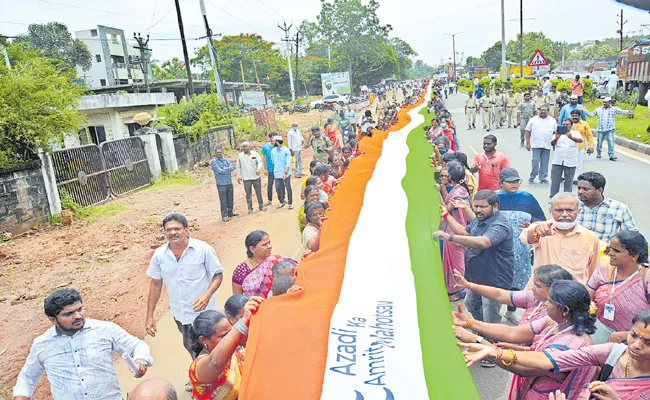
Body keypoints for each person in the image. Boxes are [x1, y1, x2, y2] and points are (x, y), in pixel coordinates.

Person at [460, 310, 650, 400]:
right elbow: (551, 359)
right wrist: (496, 350)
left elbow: (528, 368)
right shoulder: (614, 352)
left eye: (647, 342)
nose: (636, 345)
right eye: (633, 335)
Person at [455, 280, 597, 397]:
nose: (546, 304)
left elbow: (523, 368)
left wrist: (478, 341)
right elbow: (512, 332)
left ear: (565, 310)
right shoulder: (555, 322)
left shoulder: (568, 345)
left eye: (550, 301)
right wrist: (469, 322)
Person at [13, 288, 153, 400]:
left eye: (79, 309)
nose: (78, 316)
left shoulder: (105, 329)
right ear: (53, 320)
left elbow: (137, 346)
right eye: (69, 314)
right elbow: (27, 377)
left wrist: (140, 361)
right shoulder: (42, 344)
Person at [146, 213, 224, 364]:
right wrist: (150, 316)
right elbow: (155, 284)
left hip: (204, 313)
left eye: (177, 229)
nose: (173, 233)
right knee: (191, 346)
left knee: (212, 345)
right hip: (180, 313)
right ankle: (202, 376)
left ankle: (216, 377)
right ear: (164, 232)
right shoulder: (159, 255)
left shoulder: (203, 249)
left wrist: (206, 296)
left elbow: (218, 275)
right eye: (168, 230)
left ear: (186, 230)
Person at [433, 190, 514, 328]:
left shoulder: (500, 225)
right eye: (475, 206)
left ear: (495, 206)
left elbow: (483, 242)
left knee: (491, 315)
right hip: (477, 276)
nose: (477, 210)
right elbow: (465, 232)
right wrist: (447, 215)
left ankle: (493, 341)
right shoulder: (480, 220)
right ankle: (483, 330)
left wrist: (449, 237)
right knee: (471, 304)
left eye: (482, 207)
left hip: (494, 279)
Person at [188, 297, 263, 399]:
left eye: (231, 331)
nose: (231, 337)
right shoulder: (199, 366)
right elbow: (215, 363)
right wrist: (243, 321)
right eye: (223, 336)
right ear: (203, 340)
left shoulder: (236, 348)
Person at [453, 264, 574, 326]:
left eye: (538, 286)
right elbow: (500, 294)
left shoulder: (553, 316)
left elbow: (513, 335)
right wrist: (469, 285)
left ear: (553, 288)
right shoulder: (533, 298)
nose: (533, 288)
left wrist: (471, 324)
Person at [520, 193, 600, 285]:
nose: (565, 214)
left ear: (578, 212)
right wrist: (536, 231)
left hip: (573, 294)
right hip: (540, 292)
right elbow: (526, 237)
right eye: (559, 210)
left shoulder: (590, 237)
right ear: (551, 211)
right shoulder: (541, 229)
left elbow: (594, 272)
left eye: (570, 210)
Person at [588, 230, 650, 344]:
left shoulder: (646, 278)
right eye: (610, 248)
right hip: (599, 336)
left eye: (616, 250)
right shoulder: (602, 272)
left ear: (634, 255)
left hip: (635, 342)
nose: (610, 253)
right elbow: (584, 302)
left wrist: (626, 335)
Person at [437, 163, 471, 301]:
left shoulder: (457, 193)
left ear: (451, 177)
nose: (443, 177)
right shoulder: (461, 190)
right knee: (456, 260)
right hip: (460, 227)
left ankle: (459, 290)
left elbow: (446, 208)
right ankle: (454, 287)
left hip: (455, 229)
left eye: (446, 175)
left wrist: (438, 192)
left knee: (455, 262)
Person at [231, 230, 298, 298]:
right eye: (264, 245)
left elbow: (298, 271)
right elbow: (237, 298)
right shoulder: (241, 270)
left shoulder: (278, 259)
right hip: (255, 306)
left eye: (269, 243)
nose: (269, 246)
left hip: (281, 302)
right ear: (252, 249)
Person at [576, 171, 637, 242]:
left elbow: (632, 235)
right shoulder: (571, 205)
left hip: (605, 251)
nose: (580, 192)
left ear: (599, 190)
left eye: (585, 189)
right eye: (579, 188)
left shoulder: (619, 208)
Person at [582, 96, 634, 161]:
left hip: (610, 129)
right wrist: (584, 110)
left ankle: (611, 155)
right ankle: (598, 153)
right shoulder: (598, 109)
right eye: (603, 102)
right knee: (599, 142)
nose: (604, 104)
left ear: (610, 102)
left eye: (606, 102)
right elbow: (591, 114)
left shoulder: (614, 109)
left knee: (611, 142)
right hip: (601, 129)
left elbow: (621, 111)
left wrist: (628, 112)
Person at [549, 118, 583, 197]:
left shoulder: (575, 133)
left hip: (570, 161)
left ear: (571, 125)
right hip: (558, 160)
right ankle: (553, 197)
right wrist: (557, 137)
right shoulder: (557, 133)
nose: (565, 126)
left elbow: (580, 140)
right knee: (555, 181)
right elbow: (552, 143)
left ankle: (567, 197)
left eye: (567, 124)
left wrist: (571, 137)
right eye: (563, 124)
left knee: (568, 181)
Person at [525, 105, 557, 184]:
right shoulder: (533, 120)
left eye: (545, 110)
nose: (543, 112)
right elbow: (527, 131)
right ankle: (533, 175)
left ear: (548, 111)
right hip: (536, 144)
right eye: (541, 110)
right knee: (535, 161)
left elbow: (555, 132)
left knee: (545, 162)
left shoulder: (552, 120)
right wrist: (528, 143)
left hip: (547, 144)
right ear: (538, 110)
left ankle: (543, 177)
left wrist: (554, 144)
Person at [236, 141, 266, 215]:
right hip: (246, 178)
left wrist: (259, 169)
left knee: (258, 192)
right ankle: (250, 208)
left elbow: (260, 162)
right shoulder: (240, 156)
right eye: (243, 146)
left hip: (256, 177)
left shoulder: (255, 154)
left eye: (246, 146)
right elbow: (238, 166)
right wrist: (239, 176)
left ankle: (261, 206)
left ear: (250, 147)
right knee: (248, 194)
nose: (244, 148)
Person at [211, 147, 237, 222]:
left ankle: (230, 212)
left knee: (230, 198)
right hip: (221, 183)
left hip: (229, 182)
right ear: (215, 153)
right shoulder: (214, 161)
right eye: (217, 152)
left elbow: (233, 167)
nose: (219, 153)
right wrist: (227, 169)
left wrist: (224, 169)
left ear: (222, 152)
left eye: (220, 152)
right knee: (223, 200)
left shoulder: (225, 160)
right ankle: (224, 215)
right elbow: (219, 170)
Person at [570, 110, 595, 182]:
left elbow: (589, 136)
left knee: (578, 163)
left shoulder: (585, 124)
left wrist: (591, 146)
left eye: (576, 116)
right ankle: (565, 177)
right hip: (569, 147)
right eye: (573, 116)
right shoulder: (568, 123)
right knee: (568, 162)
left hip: (580, 147)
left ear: (579, 116)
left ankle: (575, 178)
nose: (574, 117)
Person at [270, 135, 293, 209]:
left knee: (288, 187)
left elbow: (288, 162)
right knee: (278, 187)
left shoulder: (286, 150)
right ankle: (281, 201)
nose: (272, 142)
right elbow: (273, 161)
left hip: (286, 172)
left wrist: (285, 172)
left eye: (274, 141)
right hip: (277, 172)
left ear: (277, 142)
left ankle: (290, 203)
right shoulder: (273, 151)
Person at [260, 133, 275, 206]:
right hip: (270, 169)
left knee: (280, 184)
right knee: (270, 184)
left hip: (278, 169)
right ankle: (269, 199)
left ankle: (282, 198)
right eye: (272, 137)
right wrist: (265, 169)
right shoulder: (265, 147)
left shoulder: (278, 146)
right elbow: (264, 158)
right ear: (270, 138)